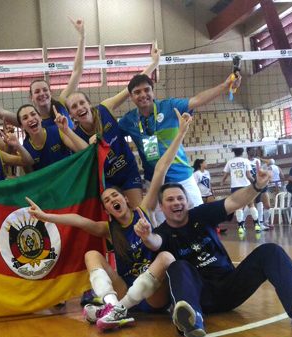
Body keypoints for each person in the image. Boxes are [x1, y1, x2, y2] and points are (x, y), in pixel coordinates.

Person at [25, 108, 192, 332]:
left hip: (154, 296)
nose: (112, 199)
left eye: (115, 195)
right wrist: (45, 216)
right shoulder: (107, 228)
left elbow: (161, 168)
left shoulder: (143, 211)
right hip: (126, 288)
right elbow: (76, 220)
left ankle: (117, 310)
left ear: (125, 198)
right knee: (92, 254)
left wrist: (180, 133)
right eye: (107, 199)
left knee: (165, 257)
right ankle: (114, 306)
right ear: (106, 210)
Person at [138, 168, 292, 337]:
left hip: (230, 286)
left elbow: (233, 201)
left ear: (187, 201)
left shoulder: (201, 214)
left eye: (180, 198)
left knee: (270, 251)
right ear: (162, 208)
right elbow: (156, 243)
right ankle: (191, 321)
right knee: (177, 265)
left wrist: (257, 187)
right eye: (170, 200)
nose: (176, 203)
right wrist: (147, 236)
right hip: (200, 296)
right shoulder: (162, 233)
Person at [117, 66, 242, 211]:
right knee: (162, 229)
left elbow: (198, 100)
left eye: (146, 90)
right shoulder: (128, 120)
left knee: (198, 220)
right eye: (137, 92)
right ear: (131, 97)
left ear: (153, 92)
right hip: (155, 182)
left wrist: (225, 86)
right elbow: (110, 135)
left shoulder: (169, 106)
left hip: (183, 176)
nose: (143, 94)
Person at [64, 42, 160, 209]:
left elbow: (131, 88)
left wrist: (153, 64)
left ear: (89, 103)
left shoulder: (105, 108)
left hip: (128, 171)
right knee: (117, 218)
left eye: (81, 103)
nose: (79, 108)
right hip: (105, 180)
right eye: (74, 107)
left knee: (139, 213)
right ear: (71, 115)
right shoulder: (75, 135)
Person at [0, 18, 86, 138]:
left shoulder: (61, 105)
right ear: (31, 97)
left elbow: (77, 71)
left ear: (51, 92)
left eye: (45, 90)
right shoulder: (28, 119)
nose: (42, 93)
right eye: (37, 91)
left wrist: (82, 37)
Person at [15, 104, 87, 172]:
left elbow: (85, 151)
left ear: (40, 117)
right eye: (25, 118)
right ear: (22, 126)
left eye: (33, 114)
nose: (30, 119)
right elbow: (31, 178)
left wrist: (66, 130)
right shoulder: (25, 149)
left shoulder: (57, 131)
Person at [220, 148, 258, 235]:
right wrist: (254, 182)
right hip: (246, 185)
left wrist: (222, 182)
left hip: (235, 187)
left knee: (238, 207)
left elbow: (225, 175)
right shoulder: (245, 161)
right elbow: (249, 176)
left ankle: (240, 227)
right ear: (242, 153)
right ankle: (257, 225)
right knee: (251, 204)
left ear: (234, 153)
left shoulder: (230, 162)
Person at [247, 148, 270, 231]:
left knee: (260, 203)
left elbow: (260, 170)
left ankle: (260, 223)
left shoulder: (257, 160)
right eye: (252, 150)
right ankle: (241, 222)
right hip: (250, 184)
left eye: (255, 151)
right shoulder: (245, 161)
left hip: (258, 183)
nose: (254, 152)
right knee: (249, 205)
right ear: (248, 151)